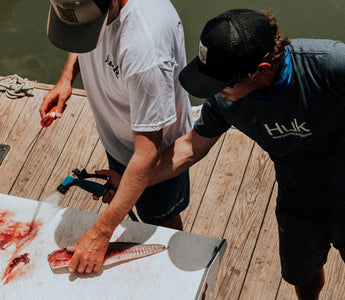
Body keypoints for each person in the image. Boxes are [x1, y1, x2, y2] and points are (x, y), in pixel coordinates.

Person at [101, 8, 345, 300]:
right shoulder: (225, 101)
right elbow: (190, 148)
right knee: (301, 275)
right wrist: (130, 181)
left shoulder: (330, 65)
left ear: (262, 70)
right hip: (299, 201)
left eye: (223, 84)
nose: (216, 92)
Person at [41, 0, 193, 274]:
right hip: (119, 134)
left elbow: (147, 155)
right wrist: (66, 77)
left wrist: (101, 233)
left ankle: (168, 274)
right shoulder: (87, 7)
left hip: (156, 155)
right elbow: (82, 31)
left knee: (162, 222)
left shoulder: (146, 49)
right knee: (126, 198)